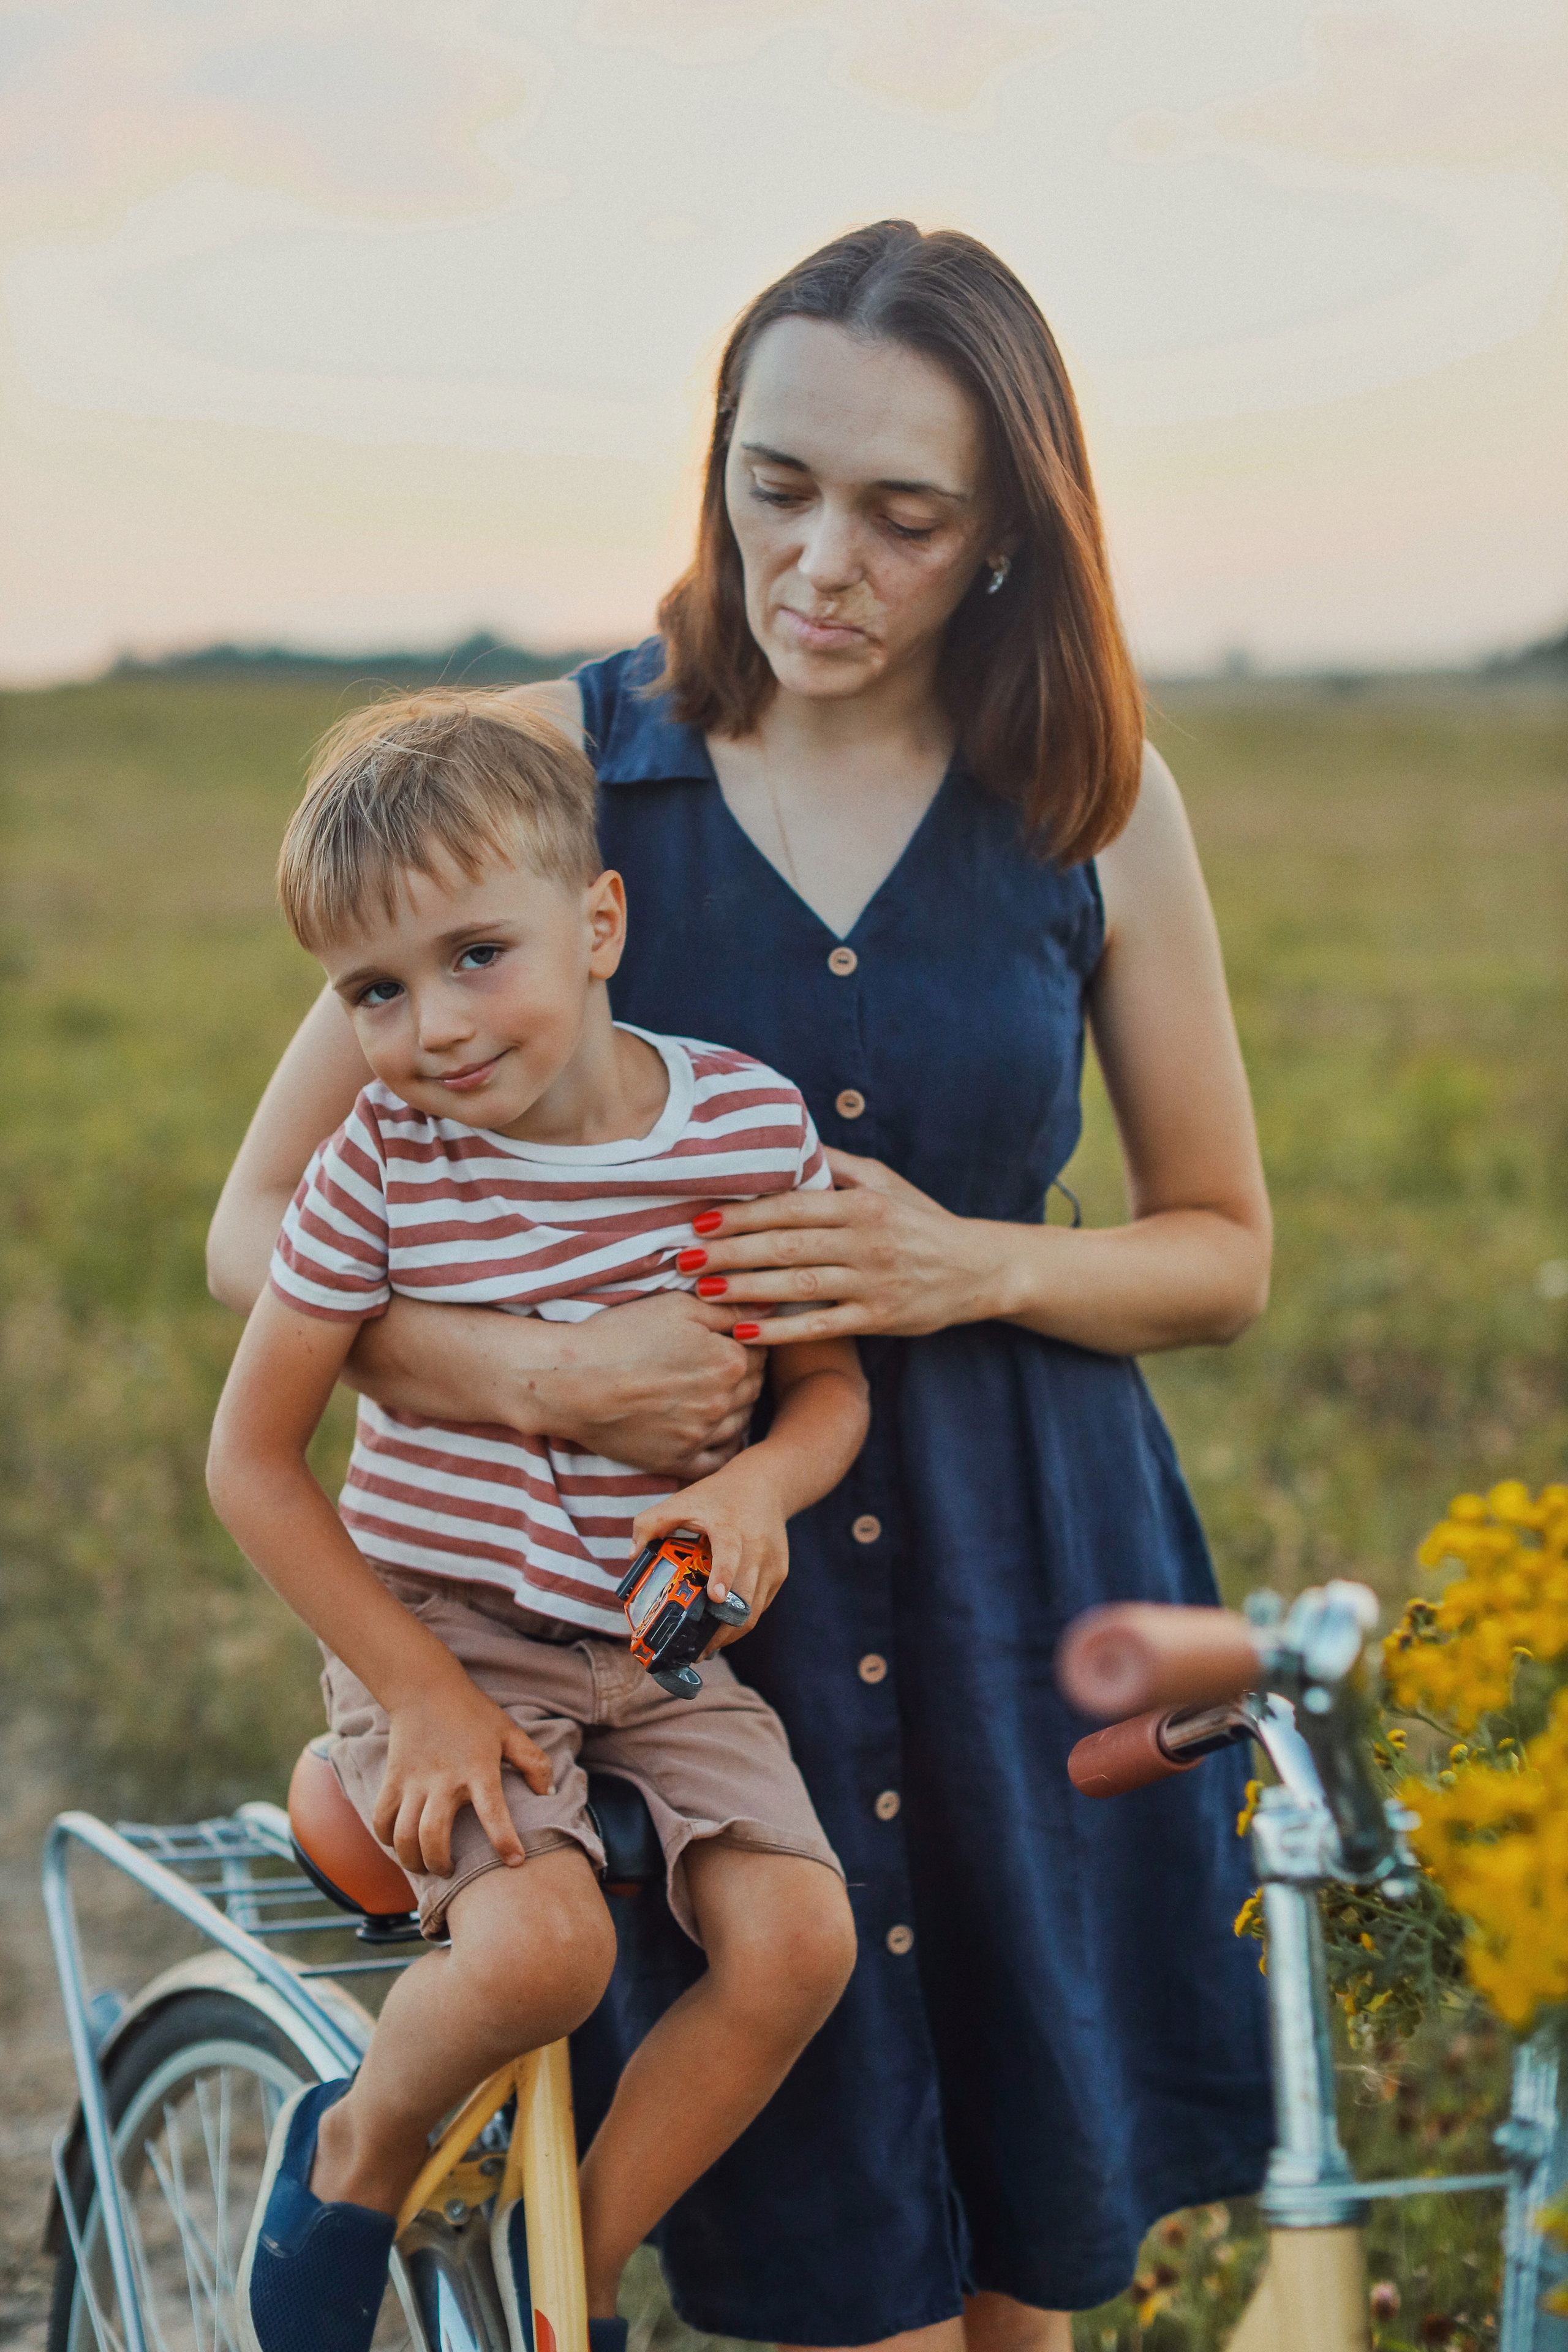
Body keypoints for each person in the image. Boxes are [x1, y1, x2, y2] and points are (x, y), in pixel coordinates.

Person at [208, 221, 1276, 2351]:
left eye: (904, 516)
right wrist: (528, 1378)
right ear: (718, 460)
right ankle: (528, 2282)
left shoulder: (1092, 800)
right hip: (674, 1606)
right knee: (832, 2277)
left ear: (1009, 537)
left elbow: (1224, 1253)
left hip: (1019, 1588)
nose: (820, 563)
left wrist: (971, 1259)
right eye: (775, 485)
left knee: (1021, 2278)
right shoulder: (545, 765)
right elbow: (258, 1231)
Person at [206, 692, 865, 2352]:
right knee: (544, 1959)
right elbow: (253, 1465)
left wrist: (749, 1488)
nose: (430, 1025)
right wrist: (422, 1693)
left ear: (599, 922)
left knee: (798, 1943)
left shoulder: (741, 1128)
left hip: (657, 1637)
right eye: (375, 988)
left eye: (474, 956)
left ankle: (562, 2274)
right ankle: (358, 2143)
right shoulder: (379, 1164)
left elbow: (830, 1398)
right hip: (448, 1629)